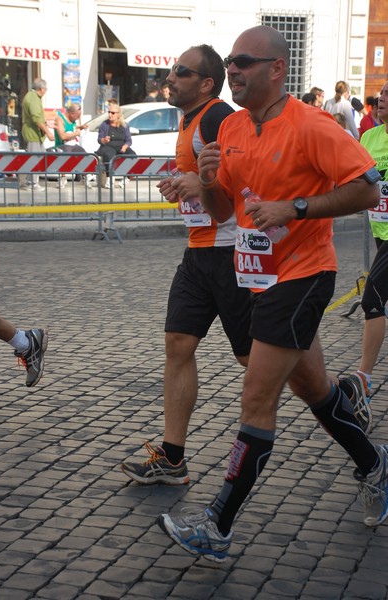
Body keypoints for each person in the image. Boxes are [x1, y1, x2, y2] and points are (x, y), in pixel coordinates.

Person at [157, 26, 384, 564]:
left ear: (277, 69)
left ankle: (217, 524)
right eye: (230, 62)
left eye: (243, 62)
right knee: (314, 389)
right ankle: (376, 464)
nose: (232, 70)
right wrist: (210, 182)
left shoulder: (313, 125)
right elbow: (220, 212)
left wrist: (296, 208)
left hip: (304, 275)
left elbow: (368, 187)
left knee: (257, 396)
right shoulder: (232, 125)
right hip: (254, 273)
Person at [120, 44, 252, 486]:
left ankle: (337, 404)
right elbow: (207, 180)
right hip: (199, 251)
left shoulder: (218, 116)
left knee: (255, 358)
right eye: (171, 69)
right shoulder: (190, 119)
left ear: (206, 83)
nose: (170, 77)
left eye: (181, 71)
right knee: (177, 343)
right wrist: (184, 185)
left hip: (233, 252)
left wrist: (201, 182)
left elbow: (243, 177)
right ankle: (172, 457)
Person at [342, 80, 388, 410]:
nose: (381, 99)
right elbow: (354, 177)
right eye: (381, 94)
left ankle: (363, 382)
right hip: (380, 230)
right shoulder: (370, 137)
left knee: (372, 297)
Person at [21, 78, 54, 191]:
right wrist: (49, 133)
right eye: (46, 89)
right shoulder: (33, 98)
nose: (46, 91)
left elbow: (38, 118)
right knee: (35, 157)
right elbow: (36, 119)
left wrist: (46, 124)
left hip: (35, 133)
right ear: (41, 88)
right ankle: (32, 183)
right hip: (32, 133)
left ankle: (29, 180)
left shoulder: (33, 97)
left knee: (39, 156)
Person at [96, 99, 136, 189]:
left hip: (121, 146)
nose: (110, 115)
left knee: (132, 155)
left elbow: (129, 140)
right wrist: (104, 140)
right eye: (109, 112)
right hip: (108, 146)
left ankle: (126, 178)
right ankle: (110, 178)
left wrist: (125, 146)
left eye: (113, 113)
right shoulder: (104, 125)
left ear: (118, 114)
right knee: (108, 154)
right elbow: (99, 139)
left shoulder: (124, 125)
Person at [53, 103, 91, 189]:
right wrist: (75, 134)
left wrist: (80, 127)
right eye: (78, 116)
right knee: (64, 155)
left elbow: (72, 127)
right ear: (72, 113)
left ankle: (85, 176)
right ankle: (62, 178)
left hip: (72, 144)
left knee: (84, 154)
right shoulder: (60, 120)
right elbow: (62, 136)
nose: (78, 118)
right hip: (62, 145)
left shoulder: (73, 120)